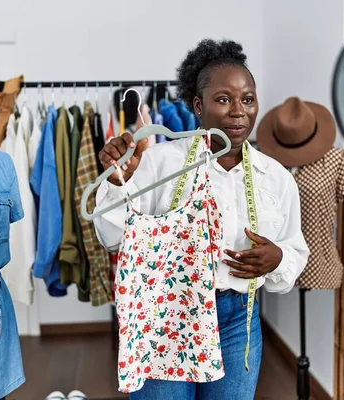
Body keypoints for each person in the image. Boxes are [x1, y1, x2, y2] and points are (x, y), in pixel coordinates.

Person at [94, 38, 309, 400]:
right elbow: (110, 237)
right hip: (167, 315)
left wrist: (279, 258)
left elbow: (294, 250)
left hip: (239, 319)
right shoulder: (159, 162)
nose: (239, 111)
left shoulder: (275, 178)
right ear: (198, 105)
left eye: (248, 99)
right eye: (223, 99)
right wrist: (119, 183)